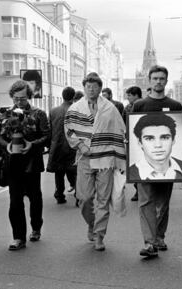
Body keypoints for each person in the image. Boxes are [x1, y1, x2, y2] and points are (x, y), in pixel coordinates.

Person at [65, 72, 126, 251]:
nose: (91, 89)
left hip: (106, 157)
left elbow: (120, 129)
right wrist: (81, 146)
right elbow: (69, 130)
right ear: (84, 87)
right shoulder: (75, 108)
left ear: (100, 88)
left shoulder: (110, 108)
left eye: (95, 86)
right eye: (88, 86)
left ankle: (100, 235)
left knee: (103, 199)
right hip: (85, 158)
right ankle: (91, 224)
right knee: (84, 197)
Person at [131, 65, 182, 258]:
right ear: (149, 81)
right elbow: (132, 135)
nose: (158, 81)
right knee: (145, 201)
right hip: (143, 162)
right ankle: (150, 242)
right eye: (155, 78)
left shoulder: (176, 106)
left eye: (162, 78)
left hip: (166, 163)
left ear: (166, 81)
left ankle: (159, 236)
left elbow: (179, 136)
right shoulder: (139, 105)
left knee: (163, 202)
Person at [0, 80, 49, 251]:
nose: (19, 102)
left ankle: (36, 227)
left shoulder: (38, 114)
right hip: (13, 163)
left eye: (23, 98)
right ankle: (18, 237)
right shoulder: (5, 114)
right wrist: (7, 146)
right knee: (15, 201)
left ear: (29, 96)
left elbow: (47, 137)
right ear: (12, 96)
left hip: (32, 162)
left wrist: (32, 145)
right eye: (16, 98)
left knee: (35, 198)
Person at [128, 113, 182, 181]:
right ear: (140, 143)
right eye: (149, 139)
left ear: (173, 140)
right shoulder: (129, 173)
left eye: (165, 138)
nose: (158, 145)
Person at [47, 87, 77, 205]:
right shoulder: (76, 111)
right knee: (74, 172)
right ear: (73, 97)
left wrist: (50, 146)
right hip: (72, 146)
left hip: (57, 146)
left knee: (59, 173)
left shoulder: (53, 111)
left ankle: (59, 194)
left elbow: (50, 131)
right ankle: (78, 196)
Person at [122, 86, 142, 202]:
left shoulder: (143, 105)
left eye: (129, 95)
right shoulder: (128, 107)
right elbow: (123, 122)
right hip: (132, 139)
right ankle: (139, 189)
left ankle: (140, 189)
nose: (127, 98)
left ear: (136, 95)